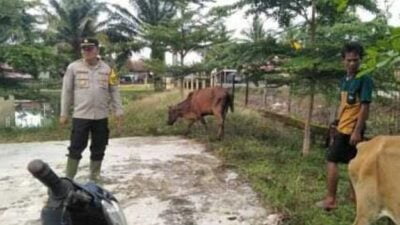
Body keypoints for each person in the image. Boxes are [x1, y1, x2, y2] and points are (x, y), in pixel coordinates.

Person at [317, 42, 373, 210]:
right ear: (343, 60)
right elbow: (346, 105)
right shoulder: (344, 80)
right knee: (352, 162)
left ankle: (331, 200)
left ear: (360, 60)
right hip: (342, 127)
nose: (352, 63)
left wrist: (357, 131)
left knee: (331, 159)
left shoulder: (364, 79)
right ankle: (355, 197)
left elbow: (364, 107)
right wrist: (336, 122)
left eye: (355, 60)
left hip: (351, 130)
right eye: (348, 60)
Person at [60, 38, 123, 182]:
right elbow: (67, 91)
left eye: (89, 48)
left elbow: (114, 91)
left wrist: (118, 110)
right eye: (84, 49)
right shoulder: (73, 68)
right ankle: (69, 177)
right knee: (76, 146)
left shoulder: (108, 69)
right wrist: (64, 113)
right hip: (81, 115)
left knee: (99, 146)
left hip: (101, 116)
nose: (86, 52)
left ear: (97, 50)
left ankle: (95, 176)